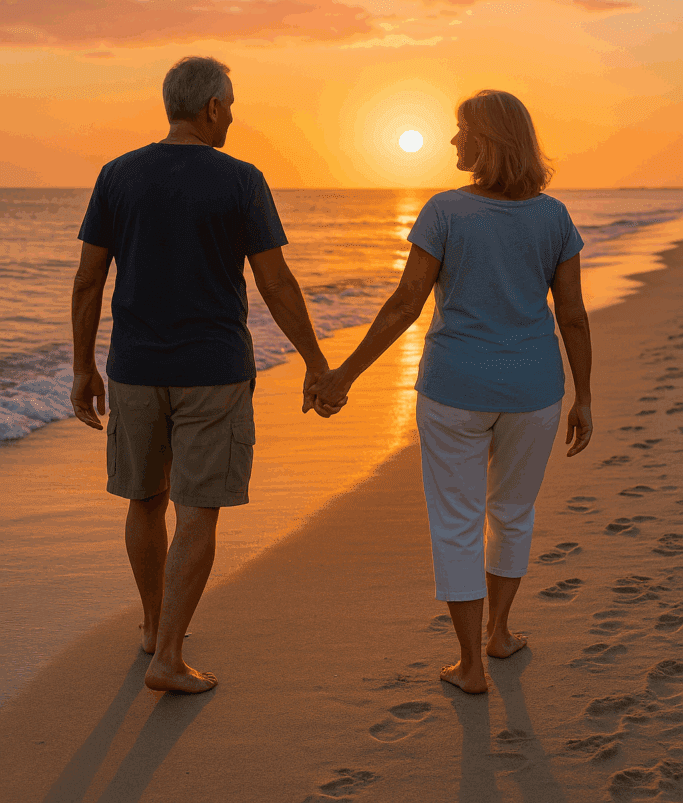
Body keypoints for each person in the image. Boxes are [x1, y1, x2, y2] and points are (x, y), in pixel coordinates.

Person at [70, 55, 343, 695]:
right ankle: (168, 654)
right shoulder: (240, 180)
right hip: (214, 373)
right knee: (197, 513)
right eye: (231, 104)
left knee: (145, 498)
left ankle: (151, 628)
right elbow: (275, 281)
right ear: (213, 108)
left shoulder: (118, 175)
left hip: (135, 369)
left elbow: (88, 279)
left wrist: (83, 366)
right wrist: (316, 363)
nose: (233, 115)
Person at [307, 88, 593, 695]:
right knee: (512, 514)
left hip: (454, 389)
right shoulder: (555, 217)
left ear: (488, 140)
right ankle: (500, 634)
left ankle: (470, 665)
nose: (454, 141)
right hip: (535, 390)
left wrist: (343, 376)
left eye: (462, 130)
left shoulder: (443, 212)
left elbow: (406, 304)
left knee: (457, 522)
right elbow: (572, 316)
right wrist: (584, 396)